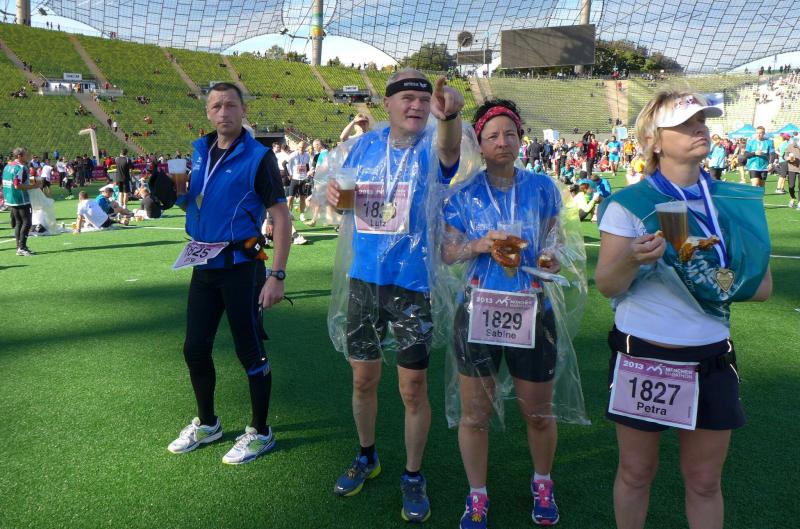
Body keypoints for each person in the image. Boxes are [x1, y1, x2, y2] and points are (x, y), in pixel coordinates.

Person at [595, 91, 772, 529]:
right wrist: (632, 259)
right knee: (636, 474)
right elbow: (607, 285)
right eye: (684, 124)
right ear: (654, 141)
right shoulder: (628, 204)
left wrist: (711, 275)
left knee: (705, 482)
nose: (699, 129)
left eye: (702, 121)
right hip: (644, 356)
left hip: (711, 355)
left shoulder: (734, 201)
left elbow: (762, 287)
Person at [325, 69, 464, 522]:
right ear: (387, 104)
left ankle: (413, 473)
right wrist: (334, 197)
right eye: (407, 98)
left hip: (412, 286)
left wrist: (450, 116)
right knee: (362, 380)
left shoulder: (432, 145)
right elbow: (342, 204)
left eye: (423, 100)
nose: (416, 106)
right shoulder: (364, 146)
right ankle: (366, 454)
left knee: (412, 388)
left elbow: (450, 150)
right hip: (365, 282)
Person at [439, 99, 566, 528]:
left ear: (520, 139)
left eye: (510, 133)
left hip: (531, 307)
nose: (502, 142)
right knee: (475, 415)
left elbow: (555, 241)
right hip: (479, 309)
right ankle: (477, 494)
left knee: (538, 412)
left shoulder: (542, 188)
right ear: (479, 143)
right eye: (492, 135)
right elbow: (448, 252)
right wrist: (479, 244)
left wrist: (552, 257)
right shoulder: (463, 193)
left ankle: (543, 481)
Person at [167, 82, 292, 465]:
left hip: (242, 267)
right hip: (203, 264)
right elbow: (199, 200)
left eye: (231, 105)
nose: (224, 112)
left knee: (249, 350)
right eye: (217, 106)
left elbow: (281, 217)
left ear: (243, 110)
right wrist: (172, 194)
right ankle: (208, 424)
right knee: (194, 348)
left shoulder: (259, 157)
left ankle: (261, 432)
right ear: (208, 112)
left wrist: (277, 274)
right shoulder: (200, 150)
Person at [2, 147, 41, 255]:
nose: (27, 156)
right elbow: (17, 185)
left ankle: (19, 247)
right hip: (21, 198)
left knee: (19, 222)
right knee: (27, 222)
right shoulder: (20, 167)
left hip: (11, 198)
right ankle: (22, 247)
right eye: (25, 155)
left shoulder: (8, 166)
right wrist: (33, 186)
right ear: (19, 156)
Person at [784, 136, 800, 209]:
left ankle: (799, 202)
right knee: (791, 186)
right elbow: (785, 155)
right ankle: (793, 198)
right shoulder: (791, 146)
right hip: (792, 168)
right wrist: (788, 158)